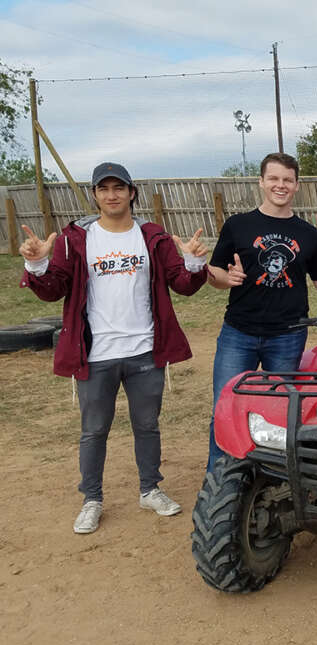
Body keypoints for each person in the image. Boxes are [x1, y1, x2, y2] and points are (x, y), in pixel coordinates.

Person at [19, 162, 208, 534]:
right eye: (103, 189)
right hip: (95, 354)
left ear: (131, 192)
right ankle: (91, 499)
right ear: (95, 195)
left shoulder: (152, 236)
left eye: (118, 187)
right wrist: (38, 263)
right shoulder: (77, 240)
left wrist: (195, 262)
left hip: (144, 350)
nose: (111, 195)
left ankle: (150, 489)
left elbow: (182, 284)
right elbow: (53, 289)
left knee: (147, 425)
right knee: (94, 430)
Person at [206, 153, 317, 469]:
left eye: (287, 180)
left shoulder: (307, 233)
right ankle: (218, 476)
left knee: (279, 410)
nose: (280, 185)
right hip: (238, 333)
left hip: (287, 335)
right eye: (274, 179)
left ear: (296, 185)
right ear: (261, 182)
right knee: (225, 406)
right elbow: (215, 273)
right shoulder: (238, 225)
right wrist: (224, 279)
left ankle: (274, 476)